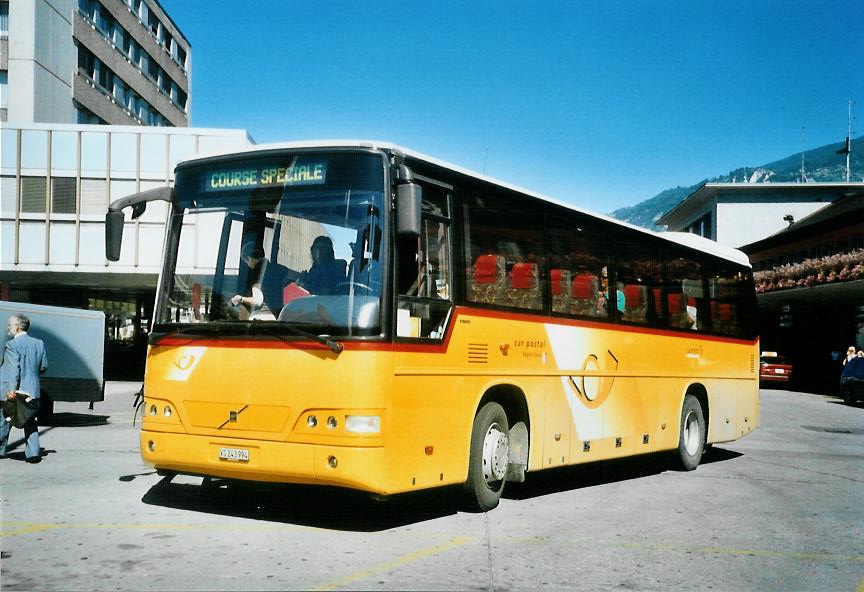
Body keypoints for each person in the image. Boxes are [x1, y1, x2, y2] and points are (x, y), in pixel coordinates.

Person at [0, 313, 48, 463]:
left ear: (17, 327)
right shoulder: (39, 343)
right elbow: (43, 366)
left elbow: (14, 370)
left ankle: (0, 449)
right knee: (30, 419)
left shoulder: (12, 345)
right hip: (32, 389)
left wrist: (11, 390)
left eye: (10, 325)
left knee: (4, 418)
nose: (8, 328)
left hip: (14, 390)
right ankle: (33, 453)